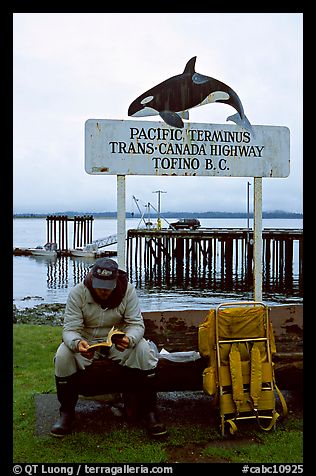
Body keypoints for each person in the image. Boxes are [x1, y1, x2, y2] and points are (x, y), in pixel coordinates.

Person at [51, 257, 167, 438]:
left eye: (108, 286)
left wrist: (130, 339)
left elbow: (136, 324)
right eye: (99, 285)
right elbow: (70, 329)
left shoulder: (128, 291)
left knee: (144, 350)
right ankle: (66, 413)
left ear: (116, 281)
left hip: (117, 344)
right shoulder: (78, 293)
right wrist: (76, 343)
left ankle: (149, 412)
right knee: (62, 355)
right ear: (91, 278)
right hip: (87, 344)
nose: (103, 291)